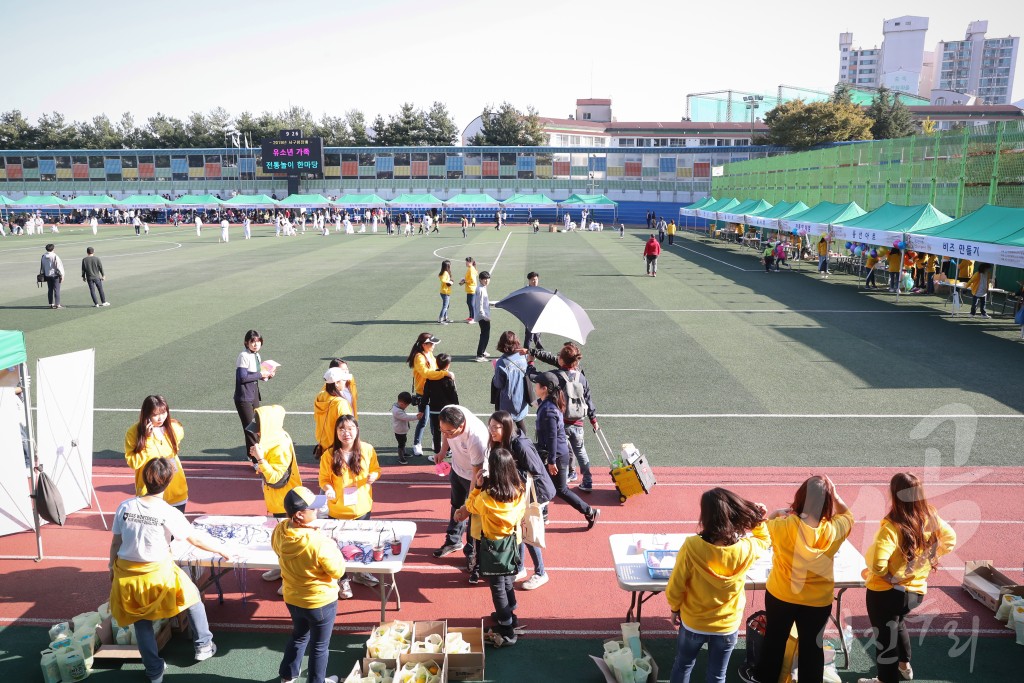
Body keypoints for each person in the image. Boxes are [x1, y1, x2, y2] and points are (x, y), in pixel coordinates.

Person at [109, 458, 225, 683]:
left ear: (144, 478)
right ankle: (203, 645)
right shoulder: (168, 511)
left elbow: (115, 543)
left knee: (140, 621)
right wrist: (221, 550)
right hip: (158, 571)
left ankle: (154, 671)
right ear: (169, 482)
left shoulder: (125, 506)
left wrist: (110, 568)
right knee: (192, 598)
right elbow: (194, 539)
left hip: (127, 573)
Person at [739, 475, 854, 683]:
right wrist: (835, 495)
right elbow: (847, 515)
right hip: (818, 600)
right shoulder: (834, 529)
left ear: (800, 498)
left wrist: (773, 514)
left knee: (775, 639)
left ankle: (765, 677)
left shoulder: (784, 526)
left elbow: (759, 530)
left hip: (782, 595)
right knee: (812, 647)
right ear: (827, 503)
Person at [857, 473, 956, 683]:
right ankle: (905, 665)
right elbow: (951, 538)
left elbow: (876, 563)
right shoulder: (930, 517)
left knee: (885, 639)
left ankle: (885, 679)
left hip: (886, 593)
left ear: (894, 495)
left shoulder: (892, 527)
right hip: (915, 592)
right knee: (898, 624)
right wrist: (930, 557)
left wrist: (890, 577)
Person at [666, 488, 769, 683]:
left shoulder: (692, 546)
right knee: (717, 675)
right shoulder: (744, 549)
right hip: (727, 625)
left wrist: (674, 607)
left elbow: (676, 584)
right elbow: (764, 540)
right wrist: (757, 522)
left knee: (683, 665)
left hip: (694, 622)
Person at [453, 447, 525, 647]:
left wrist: (477, 487)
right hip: (512, 542)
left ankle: (507, 627)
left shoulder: (486, 498)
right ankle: (511, 612)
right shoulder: (519, 489)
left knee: (497, 587)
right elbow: (521, 513)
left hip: (493, 546)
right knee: (508, 579)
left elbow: (470, 505)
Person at [272, 486, 345, 683]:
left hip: (292, 597)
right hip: (320, 602)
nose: (318, 510)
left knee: (299, 636)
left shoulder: (280, 530)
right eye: (313, 508)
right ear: (300, 514)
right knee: (320, 646)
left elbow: (278, 551)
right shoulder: (319, 542)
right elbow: (338, 571)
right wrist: (335, 547)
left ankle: (287, 676)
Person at [488, 411, 554, 591]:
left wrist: (508, 472)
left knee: (528, 532)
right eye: (490, 426)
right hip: (519, 493)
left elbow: (536, 471)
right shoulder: (502, 443)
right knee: (518, 530)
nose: (492, 431)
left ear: (507, 427)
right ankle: (520, 567)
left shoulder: (520, 445)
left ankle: (541, 573)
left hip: (533, 493)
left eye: (496, 427)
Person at [319, 415, 381, 597]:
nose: (346, 433)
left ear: (357, 430)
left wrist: (374, 477)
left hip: (362, 508)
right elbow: (323, 479)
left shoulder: (367, 449)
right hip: (338, 510)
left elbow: (376, 469)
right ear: (336, 432)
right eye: (342, 429)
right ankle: (343, 579)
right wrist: (328, 488)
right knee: (339, 547)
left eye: (350, 428)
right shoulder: (329, 455)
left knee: (363, 541)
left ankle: (361, 573)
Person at [527, 371, 599, 529]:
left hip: (556, 456)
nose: (535, 386)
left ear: (544, 388)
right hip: (554, 454)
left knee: (559, 490)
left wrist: (552, 461)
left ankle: (589, 511)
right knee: (545, 485)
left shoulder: (549, 410)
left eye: (537, 384)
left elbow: (552, 436)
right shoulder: (548, 403)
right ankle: (543, 514)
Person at [529, 342, 598, 490]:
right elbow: (588, 399)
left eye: (559, 355)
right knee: (581, 452)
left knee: (563, 453)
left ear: (561, 360)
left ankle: (562, 482)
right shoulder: (581, 377)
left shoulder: (556, 376)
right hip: (578, 422)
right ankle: (587, 480)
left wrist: (530, 362)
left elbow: (535, 376)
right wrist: (594, 419)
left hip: (562, 423)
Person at [432, 405, 489, 562]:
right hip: (457, 470)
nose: (446, 434)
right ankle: (453, 541)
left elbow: (476, 471)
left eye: (450, 432)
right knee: (456, 505)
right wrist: (443, 451)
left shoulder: (476, 438)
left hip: (474, 476)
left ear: (462, 426)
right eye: (442, 430)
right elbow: (446, 432)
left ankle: (472, 553)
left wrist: (470, 503)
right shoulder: (449, 411)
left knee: (472, 513)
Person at [125, 395, 188, 513]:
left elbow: (175, 447)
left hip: (175, 491)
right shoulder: (134, 433)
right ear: (146, 414)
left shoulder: (174, 428)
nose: (160, 418)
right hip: (149, 496)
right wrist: (147, 439)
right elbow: (134, 463)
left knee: (175, 530)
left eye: (163, 413)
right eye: (155, 415)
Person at [407, 333, 454, 457]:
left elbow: (435, 369)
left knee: (435, 421)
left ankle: (435, 441)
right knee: (423, 419)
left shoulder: (430, 354)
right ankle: (417, 444)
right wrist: (445, 374)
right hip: (423, 393)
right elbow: (426, 373)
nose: (433, 346)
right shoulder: (419, 357)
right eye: (431, 344)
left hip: (432, 392)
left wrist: (443, 371)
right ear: (424, 345)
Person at [234, 330, 274, 455]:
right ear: (247, 342)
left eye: (258, 342)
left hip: (254, 394)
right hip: (244, 397)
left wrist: (267, 375)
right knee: (251, 429)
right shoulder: (243, 356)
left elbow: (255, 376)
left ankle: (251, 455)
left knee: (256, 426)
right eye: (252, 342)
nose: (255, 344)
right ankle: (256, 459)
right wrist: (260, 374)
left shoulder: (257, 355)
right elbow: (243, 377)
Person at [419, 353, 459, 455]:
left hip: (434, 410)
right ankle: (449, 450)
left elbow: (425, 395)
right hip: (448, 410)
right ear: (448, 365)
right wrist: (457, 408)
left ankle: (437, 453)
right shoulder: (449, 378)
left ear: (436, 363)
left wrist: (421, 409)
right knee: (449, 431)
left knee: (436, 432)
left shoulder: (431, 377)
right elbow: (454, 395)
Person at [492, 331, 530, 432]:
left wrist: (495, 369)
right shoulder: (523, 356)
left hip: (508, 400)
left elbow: (498, 384)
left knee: (507, 428)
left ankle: (510, 446)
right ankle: (524, 443)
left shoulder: (501, 362)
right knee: (521, 423)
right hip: (522, 397)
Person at [313, 367, 355, 458]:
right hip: (338, 448)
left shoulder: (320, 396)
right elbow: (347, 427)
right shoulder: (340, 403)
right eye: (343, 380)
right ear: (336, 383)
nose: (345, 382)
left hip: (323, 445)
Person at [392, 392, 419, 465]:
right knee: (401, 444)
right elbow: (406, 417)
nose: (406, 407)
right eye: (406, 406)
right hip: (399, 431)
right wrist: (417, 417)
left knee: (403, 442)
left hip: (402, 430)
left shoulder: (398, 407)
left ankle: (404, 453)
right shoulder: (397, 411)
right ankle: (401, 457)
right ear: (401, 404)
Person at [39, 243, 65, 309]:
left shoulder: (43, 256)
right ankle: (57, 304)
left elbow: (42, 266)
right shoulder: (55, 256)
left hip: (47, 275)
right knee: (57, 290)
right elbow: (59, 266)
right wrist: (62, 275)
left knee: (50, 289)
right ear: (53, 249)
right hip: (55, 275)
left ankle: (51, 304)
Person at [474, 271, 492, 361]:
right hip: (483, 316)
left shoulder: (483, 287)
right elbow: (479, 305)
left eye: (488, 278)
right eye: (484, 279)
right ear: (480, 279)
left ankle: (483, 351)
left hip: (484, 315)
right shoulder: (480, 289)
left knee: (486, 334)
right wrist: (485, 316)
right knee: (484, 335)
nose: (487, 280)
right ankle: (479, 355)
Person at [523, 272, 543, 350]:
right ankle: (526, 350)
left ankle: (540, 349)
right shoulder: (526, 291)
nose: (535, 281)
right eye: (533, 280)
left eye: (536, 279)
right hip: (529, 316)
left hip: (538, 314)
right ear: (529, 280)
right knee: (529, 335)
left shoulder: (539, 289)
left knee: (537, 333)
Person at [459, 257, 478, 323]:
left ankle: (474, 318)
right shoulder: (470, 269)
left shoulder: (471, 269)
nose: (466, 263)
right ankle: (471, 317)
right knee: (469, 303)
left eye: (467, 262)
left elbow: (472, 280)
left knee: (471, 304)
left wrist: (465, 281)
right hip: (469, 289)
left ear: (471, 262)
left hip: (472, 289)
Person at [438, 260, 454, 324]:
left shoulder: (443, 272)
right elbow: (443, 280)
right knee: (445, 306)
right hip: (445, 292)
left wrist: (450, 281)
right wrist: (450, 282)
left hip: (444, 291)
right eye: (450, 265)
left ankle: (445, 318)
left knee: (447, 306)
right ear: (447, 266)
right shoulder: (445, 273)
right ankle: (440, 319)